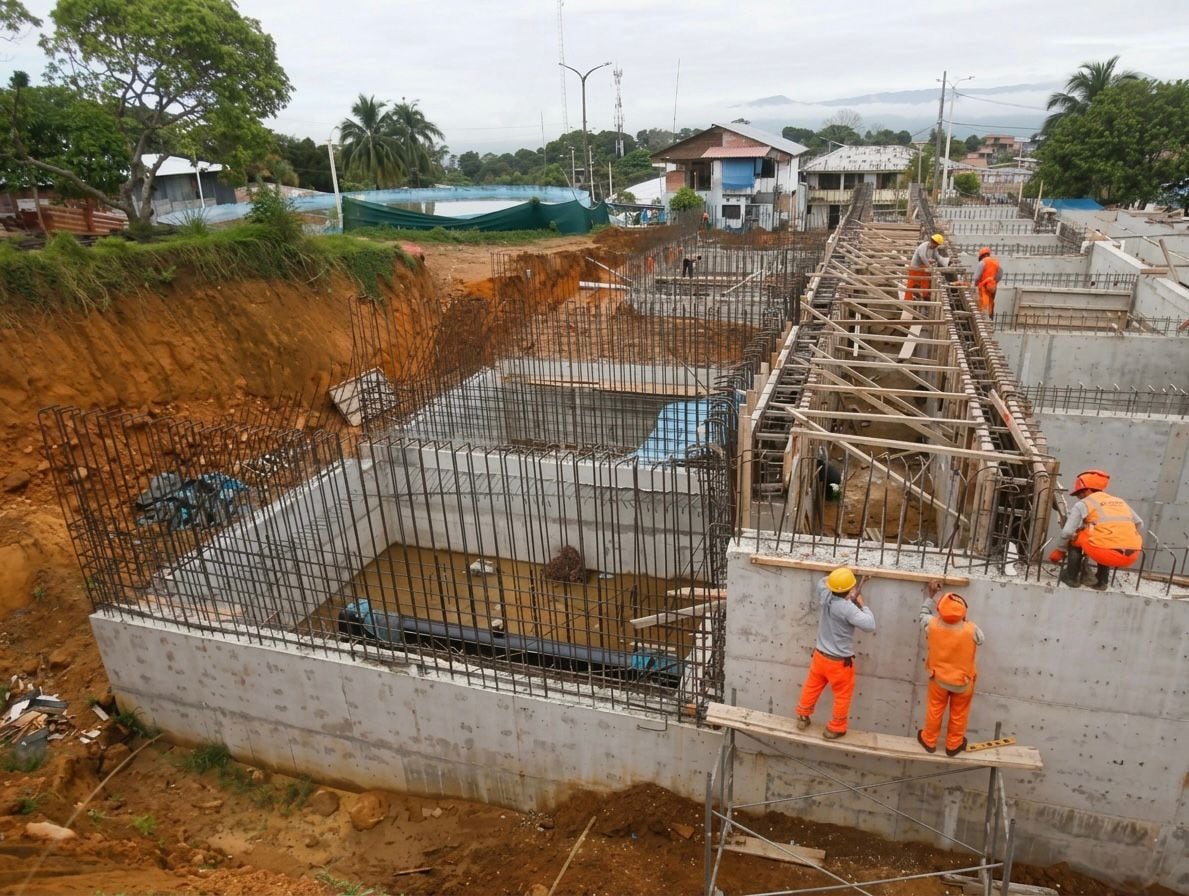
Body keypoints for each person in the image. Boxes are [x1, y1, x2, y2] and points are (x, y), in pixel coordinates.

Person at [794, 567, 876, 740]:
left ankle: (802, 716)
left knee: (812, 686)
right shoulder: (848, 609)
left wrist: (838, 577)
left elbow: (822, 582)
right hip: (839, 663)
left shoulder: (825, 595)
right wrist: (862, 604)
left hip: (820, 657)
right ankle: (835, 728)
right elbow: (870, 625)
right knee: (842, 695)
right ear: (850, 590)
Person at [916, 581, 985, 757]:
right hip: (963, 681)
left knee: (935, 710)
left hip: (938, 679)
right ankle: (953, 745)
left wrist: (931, 596)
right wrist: (963, 621)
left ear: (940, 609)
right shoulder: (972, 629)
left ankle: (929, 741)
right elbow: (981, 639)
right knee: (959, 713)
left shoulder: (932, 625)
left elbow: (923, 615)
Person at [1049, 469, 1144, 590]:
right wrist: (1120, 536)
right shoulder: (1119, 501)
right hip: (1133, 554)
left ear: (1088, 490)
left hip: (1105, 553)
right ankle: (1101, 582)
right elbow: (1139, 523)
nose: (1078, 497)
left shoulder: (1084, 503)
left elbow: (1067, 531)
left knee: (1075, 539)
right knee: (1105, 539)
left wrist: (1060, 550)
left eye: (1079, 493)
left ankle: (1071, 577)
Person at [906, 233, 948, 301]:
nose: (935, 246)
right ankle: (908, 300)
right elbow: (922, 256)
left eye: (936, 245)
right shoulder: (924, 246)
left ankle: (924, 295)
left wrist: (947, 262)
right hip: (915, 267)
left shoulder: (934, 248)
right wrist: (929, 266)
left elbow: (937, 257)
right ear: (931, 241)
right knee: (912, 283)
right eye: (935, 244)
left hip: (923, 267)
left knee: (925, 280)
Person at [972, 247, 1002, 316]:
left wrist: (975, 285)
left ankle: (983, 316)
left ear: (981, 256)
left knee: (983, 303)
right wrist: (993, 282)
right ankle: (989, 316)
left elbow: (976, 277)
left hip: (983, 287)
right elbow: (1000, 275)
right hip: (992, 288)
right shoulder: (996, 262)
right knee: (990, 302)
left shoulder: (982, 262)